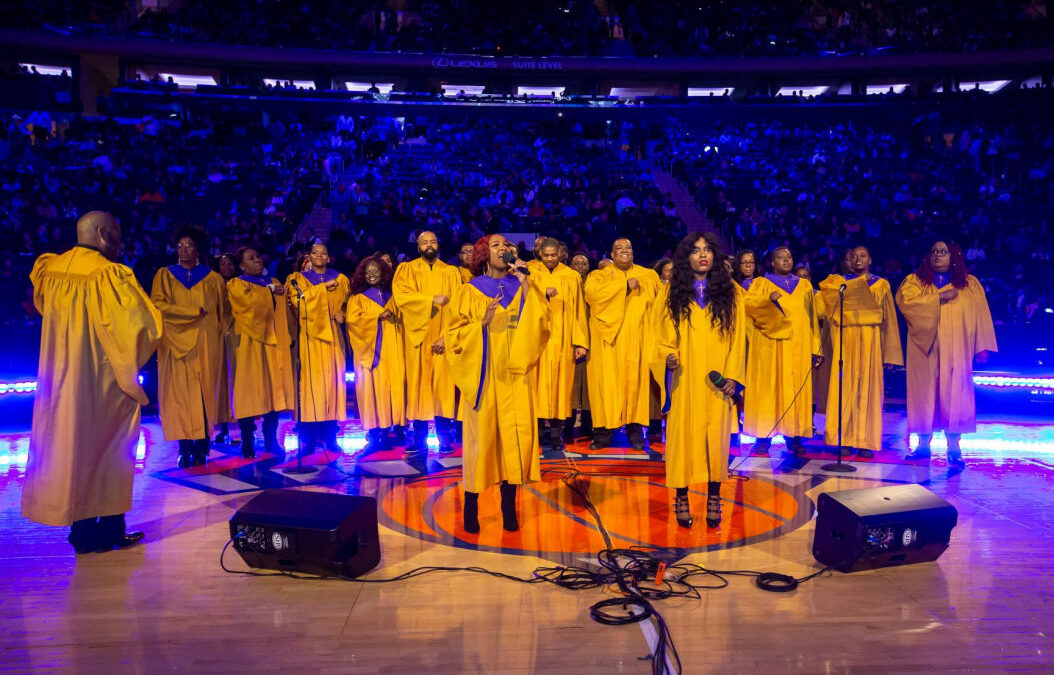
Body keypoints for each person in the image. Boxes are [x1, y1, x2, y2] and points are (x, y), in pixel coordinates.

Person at [23, 211, 161, 554]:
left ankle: (81, 532)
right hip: (101, 379)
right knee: (111, 450)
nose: (120, 243)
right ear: (102, 234)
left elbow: (41, 305)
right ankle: (112, 528)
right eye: (116, 235)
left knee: (72, 449)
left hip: (59, 378)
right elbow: (141, 328)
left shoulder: (50, 269)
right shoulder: (108, 274)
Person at [446, 235, 550, 533]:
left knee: (512, 444)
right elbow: (453, 334)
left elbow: (542, 324)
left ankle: (508, 507)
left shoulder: (524, 286)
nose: (503, 249)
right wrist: (481, 325)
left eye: (506, 245)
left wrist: (527, 284)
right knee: (482, 444)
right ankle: (471, 507)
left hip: (516, 377)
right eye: (496, 246)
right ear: (483, 254)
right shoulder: (468, 291)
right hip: (484, 375)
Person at [653, 232, 746, 529]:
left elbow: (739, 338)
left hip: (716, 382)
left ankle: (714, 496)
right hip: (684, 379)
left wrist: (733, 376)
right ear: (686, 257)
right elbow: (659, 334)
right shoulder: (671, 293)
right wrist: (667, 355)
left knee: (716, 442)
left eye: (707, 250)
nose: (702, 255)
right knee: (682, 440)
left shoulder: (730, 291)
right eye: (695, 251)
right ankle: (681, 495)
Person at [896, 241, 997, 467]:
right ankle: (923, 445)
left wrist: (981, 346)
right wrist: (938, 298)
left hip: (957, 349)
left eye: (943, 252)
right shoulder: (915, 282)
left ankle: (954, 447)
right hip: (925, 348)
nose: (938, 256)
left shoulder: (970, 285)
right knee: (924, 395)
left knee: (956, 395)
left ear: (953, 256)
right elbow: (906, 304)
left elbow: (981, 314)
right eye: (933, 252)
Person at [150, 226, 228, 467]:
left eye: (190, 246)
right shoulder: (165, 275)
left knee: (205, 394)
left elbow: (223, 314)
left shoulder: (212, 278)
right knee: (179, 397)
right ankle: (184, 448)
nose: (184, 250)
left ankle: (202, 447)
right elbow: (157, 306)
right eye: (180, 246)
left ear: (198, 250)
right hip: (174, 344)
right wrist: (191, 312)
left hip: (205, 344)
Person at [818, 246, 903, 458]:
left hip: (871, 341)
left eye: (863, 255)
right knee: (844, 389)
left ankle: (866, 441)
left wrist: (889, 354)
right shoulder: (838, 283)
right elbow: (826, 310)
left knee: (869, 389)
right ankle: (843, 439)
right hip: (844, 340)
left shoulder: (881, 284)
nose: (858, 259)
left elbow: (889, 321)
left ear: (870, 259)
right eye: (854, 256)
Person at [741, 247, 821, 456]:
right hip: (769, 346)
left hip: (798, 346)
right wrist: (768, 301)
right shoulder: (761, 283)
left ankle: (793, 437)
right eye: (780, 258)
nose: (786, 260)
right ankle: (762, 439)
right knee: (768, 390)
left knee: (795, 391)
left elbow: (812, 317)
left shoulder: (804, 285)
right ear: (772, 262)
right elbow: (748, 307)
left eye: (789, 257)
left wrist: (815, 347)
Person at [584, 238, 662, 450]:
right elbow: (592, 296)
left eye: (628, 247)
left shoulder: (649, 276)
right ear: (611, 254)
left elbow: (660, 307)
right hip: (608, 343)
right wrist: (623, 286)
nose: (624, 251)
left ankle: (635, 434)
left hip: (638, 341)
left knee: (635, 388)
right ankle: (602, 434)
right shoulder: (598, 276)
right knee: (606, 388)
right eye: (619, 248)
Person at [392, 231, 462, 455]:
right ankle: (419, 439)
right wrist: (430, 299)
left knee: (443, 388)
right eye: (424, 242)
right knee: (418, 387)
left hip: (443, 337)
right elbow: (401, 298)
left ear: (438, 244)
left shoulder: (451, 272)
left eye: (433, 241)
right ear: (418, 246)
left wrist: (447, 336)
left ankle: (445, 438)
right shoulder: (407, 270)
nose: (429, 245)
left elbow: (458, 307)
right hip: (417, 339)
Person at [227, 248, 294, 458]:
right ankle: (247, 440)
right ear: (241, 265)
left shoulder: (271, 281)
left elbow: (279, 311)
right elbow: (248, 307)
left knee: (272, 391)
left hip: (272, 343)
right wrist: (270, 291)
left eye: (257, 256)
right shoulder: (237, 284)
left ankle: (271, 439)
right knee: (250, 391)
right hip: (249, 343)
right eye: (250, 258)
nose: (257, 260)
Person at [286, 242, 350, 455]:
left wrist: (343, 313)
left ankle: (331, 437)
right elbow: (299, 303)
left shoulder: (341, 280)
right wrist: (323, 288)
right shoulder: (297, 280)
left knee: (332, 387)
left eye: (324, 252)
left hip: (333, 338)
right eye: (315, 252)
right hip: (309, 339)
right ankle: (308, 440)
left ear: (329, 258)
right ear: (309, 257)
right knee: (310, 389)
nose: (319, 255)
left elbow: (347, 304)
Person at [532, 237, 588, 454]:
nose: (549, 259)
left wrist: (580, 342)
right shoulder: (530, 272)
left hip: (563, 340)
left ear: (560, 254)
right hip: (537, 339)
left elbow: (578, 311)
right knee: (535, 387)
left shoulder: (571, 276)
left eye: (553, 255)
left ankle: (557, 436)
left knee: (559, 388)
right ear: (540, 254)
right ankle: (535, 433)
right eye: (545, 255)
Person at [346, 256, 406, 455]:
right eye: (367, 271)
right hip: (370, 354)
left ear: (384, 272)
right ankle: (373, 436)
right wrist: (376, 316)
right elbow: (353, 322)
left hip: (392, 351)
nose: (371, 274)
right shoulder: (358, 298)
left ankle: (388, 431)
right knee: (371, 392)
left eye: (375, 270)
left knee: (391, 389)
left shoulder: (394, 295)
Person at [213, 252, 239, 444]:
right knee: (222, 381)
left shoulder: (241, 283)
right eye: (223, 264)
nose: (227, 267)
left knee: (239, 381)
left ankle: (245, 427)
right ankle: (223, 427)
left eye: (230, 263)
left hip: (238, 336)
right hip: (219, 336)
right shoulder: (213, 284)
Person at [567, 252, 593, 440]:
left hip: (592, 338)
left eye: (583, 262)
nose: (580, 265)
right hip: (572, 339)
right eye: (576, 262)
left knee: (590, 386)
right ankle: (567, 428)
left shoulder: (594, 283)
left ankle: (588, 426)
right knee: (572, 386)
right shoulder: (567, 282)